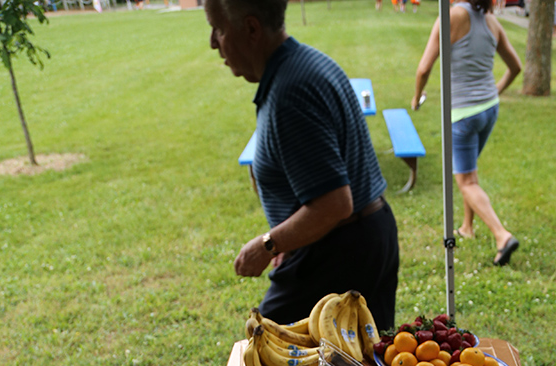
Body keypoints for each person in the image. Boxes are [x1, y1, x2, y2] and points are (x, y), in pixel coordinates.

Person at [205, 0, 399, 331]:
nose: (213, 42)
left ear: (252, 29)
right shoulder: (307, 62)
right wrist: (292, 239)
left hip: (338, 253)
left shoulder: (290, 92)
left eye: (219, 29)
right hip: (362, 237)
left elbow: (334, 204)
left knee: (272, 357)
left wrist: (268, 244)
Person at [411, 0, 521, 267]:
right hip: (488, 110)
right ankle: (467, 227)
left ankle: (501, 235)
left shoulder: (451, 18)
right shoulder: (491, 22)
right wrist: (494, 91)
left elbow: (424, 68)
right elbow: (515, 67)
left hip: (462, 115)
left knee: (467, 182)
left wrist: (416, 98)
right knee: (469, 172)